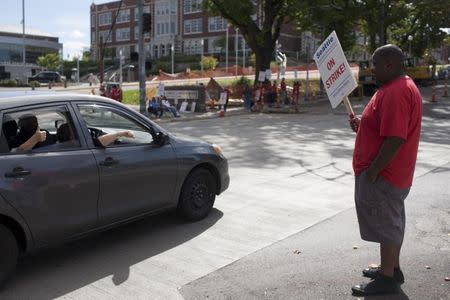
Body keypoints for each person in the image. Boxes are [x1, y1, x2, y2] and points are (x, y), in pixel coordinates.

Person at [349, 44, 422, 296]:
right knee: (390, 221)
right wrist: (363, 124)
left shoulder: (395, 92)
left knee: (387, 224)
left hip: (385, 175)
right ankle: (391, 268)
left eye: (375, 63)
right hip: (394, 173)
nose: (372, 68)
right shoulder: (400, 87)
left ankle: (387, 279)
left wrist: (374, 171)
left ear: (390, 64)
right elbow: (386, 128)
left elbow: (395, 138)